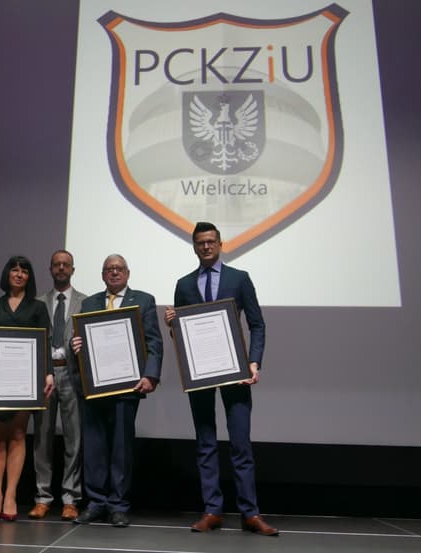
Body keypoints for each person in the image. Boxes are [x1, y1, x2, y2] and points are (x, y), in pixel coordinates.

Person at [164, 222, 279, 536]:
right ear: (194, 246)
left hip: (235, 371)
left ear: (220, 243)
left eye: (211, 241)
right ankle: (212, 510)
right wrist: (172, 325)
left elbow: (257, 324)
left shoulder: (239, 278)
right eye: (200, 242)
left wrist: (254, 362)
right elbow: (182, 337)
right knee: (205, 443)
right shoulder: (184, 284)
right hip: (199, 373)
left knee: (240, 444)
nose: (206, 247)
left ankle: (250, 513)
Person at [71, 254, 163, 528]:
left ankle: (118, 505)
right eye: (109, 269)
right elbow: (79, 340)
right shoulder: (89, 303)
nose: (114, 272)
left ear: (127, 273)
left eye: (119, 268)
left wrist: (151, 375)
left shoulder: (143, 301)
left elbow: (154, 342)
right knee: (94, 448)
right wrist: (76, 345)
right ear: (103, 275)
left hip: (127, 386)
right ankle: (96, 503)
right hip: (94, 388)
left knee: (121, 449)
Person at [0, 255, 55, 522]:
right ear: (7, 274)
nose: (19, 275)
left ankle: (11, 496)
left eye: (24, 271)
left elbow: (45, 343)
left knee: (18, 435)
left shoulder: (38, 307)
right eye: (15, 270)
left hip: (25, 381)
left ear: (29, 277)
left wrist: (49, 374)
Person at [28, 250, 87, 521]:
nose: (61, 268)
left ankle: (70, 498)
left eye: (66, 265)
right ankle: (43, 497)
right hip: (44, 375)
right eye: (57, 265)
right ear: (50, 269)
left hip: (73, 374)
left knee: (74, 438)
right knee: (42, 437)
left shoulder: (86, 302)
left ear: (73, 270)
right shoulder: (37, 303)